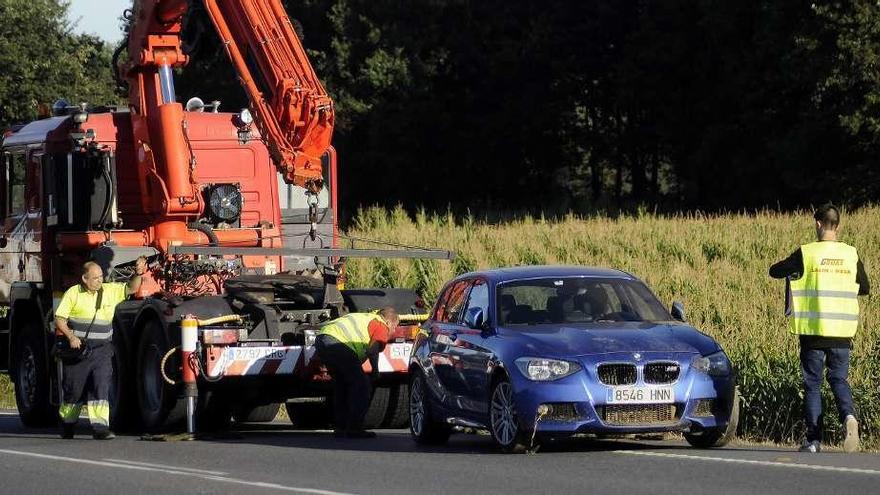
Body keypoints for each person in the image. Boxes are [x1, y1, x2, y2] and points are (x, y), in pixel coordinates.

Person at [769, 203, 870, 453]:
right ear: (838, 225)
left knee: (813, 385)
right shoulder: (850, 253)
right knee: (839, 380)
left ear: (817, 224)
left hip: (813, 332)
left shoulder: (807, 253)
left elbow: (775, 271)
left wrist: (793, 272)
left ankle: (814, 441)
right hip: (842, 332)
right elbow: (865, 287)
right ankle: (849, 416)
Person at [54, 257, 147, 440]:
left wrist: (138, 274)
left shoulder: (110, 291)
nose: (99, 280)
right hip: (79, 350)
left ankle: (100, 427)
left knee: (101, 384)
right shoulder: (73, 293)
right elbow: (60, 318)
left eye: (101, 277)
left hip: (102, 350)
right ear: (84, 279)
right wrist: (71, 337)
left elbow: (132, 288)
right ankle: (67, 422)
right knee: (74, 389)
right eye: (95, 278)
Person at [315, 307, 399, 438]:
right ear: (389, 322)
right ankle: (355, 428)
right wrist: (375, 371)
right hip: (338, 344)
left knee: (341, 386)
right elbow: (373, 348)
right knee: (362, 385)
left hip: (322, 339)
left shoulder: (365, 317)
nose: (393, 331)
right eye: (395, 327)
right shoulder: (381, 325)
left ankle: (341, 426)